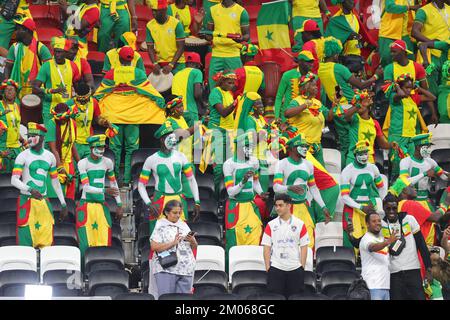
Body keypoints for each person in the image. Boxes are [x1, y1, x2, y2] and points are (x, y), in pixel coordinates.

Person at [95, 46, 165, 185]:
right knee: (131, 148)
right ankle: (127, 180)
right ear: (132, 59)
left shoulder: (111, 73)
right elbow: (150, 92)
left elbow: (99, 94)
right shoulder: (138, 73)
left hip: (113, 116)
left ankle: (113, 179)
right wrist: (161, 101)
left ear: (119, 58)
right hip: (134, 116)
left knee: (115, 148)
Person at [318, 38, 381, 166]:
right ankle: (353, 169)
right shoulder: (339, 68)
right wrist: (376, 76)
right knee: (354, 143)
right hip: (350, 107)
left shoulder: (320, 68)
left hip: (337, 109)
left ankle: (343, 172)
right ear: (335, 54)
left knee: (344, 144)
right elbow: (360, 85)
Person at [138, 121, 200, 236]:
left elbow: (191, 179)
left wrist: (197, 202)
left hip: (178, 200)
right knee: (158, 236)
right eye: (168, 137)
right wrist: (148, 203)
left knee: (181, 236)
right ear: (162, 139)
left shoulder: (181, 156)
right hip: (159, 200)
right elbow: (141, 185)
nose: (172, 140)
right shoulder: (151, 159)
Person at [11, 122, 68, 248]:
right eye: (28, 135)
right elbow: (14, 180)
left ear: (42, 137)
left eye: (33, 135)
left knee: (46, 238)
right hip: (27, 200)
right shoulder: (22, 155)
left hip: (43, 201)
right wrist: (30, 189)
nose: (29, 138)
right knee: (26, 240)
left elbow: (55, 181)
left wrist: (63, 203)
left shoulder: (50, 156)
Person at [273, 133, 331, 249]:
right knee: (287, 242)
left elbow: (313, 188)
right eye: (302, 146)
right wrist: (289, 188)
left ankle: (307, 266)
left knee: (308, 242)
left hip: (303, 207)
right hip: (287, 208)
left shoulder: (309, 164)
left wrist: (323, 207)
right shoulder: (282, 164)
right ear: (293, 148)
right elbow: (276, 187)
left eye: (306, 147)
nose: (306, 149)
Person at [76, 134, 123, 257]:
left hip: (101, 205)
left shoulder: (108, 162)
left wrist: (119, 204)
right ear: (91, 148)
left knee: (104, 240)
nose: (101, 150)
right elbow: (86, 187)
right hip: (86, 204)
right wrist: (104, 191)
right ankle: (84, 270)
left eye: (103, 147)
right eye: (99, 147)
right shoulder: (83, 163)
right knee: (85, 242)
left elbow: (113, 182)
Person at [383, 73, 436, 181]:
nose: (409, 90)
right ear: (400, 87)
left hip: (411, 138)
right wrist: (396, 86)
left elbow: (432, 97)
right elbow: (401, 94)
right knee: (397, 168)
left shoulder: (412, 99)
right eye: (406, 87)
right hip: (398, 137)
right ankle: (395, 192)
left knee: (411, 166)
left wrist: (419, 88)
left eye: (410, 88)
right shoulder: (394, 98)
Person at [382, 192, 432, 300]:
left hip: (413, 270)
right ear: (383, 208)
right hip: (394, 274)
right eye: (388, 208)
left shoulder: (409, 219)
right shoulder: (380, 225)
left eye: (394, 208)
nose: (391, 211)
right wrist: (352, 236)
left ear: (397, 207)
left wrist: (428, 268)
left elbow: (421, 245)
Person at [223, 133, 267, 253]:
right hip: (235, 206)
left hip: (250, 205)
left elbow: (256, 182)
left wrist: (261, 192)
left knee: (257, 231)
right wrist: (243, 181)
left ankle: (253, 264)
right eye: (246, 147)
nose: (250, 150)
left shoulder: (254, 161)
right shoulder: (229, 164)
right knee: (235, 237)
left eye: (251, 147)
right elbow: (230, 192)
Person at [261, 193, 309, 298]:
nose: (277, 208)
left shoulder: (300, 224)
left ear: (288, 205)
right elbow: (266, 247)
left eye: (280, 205)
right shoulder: (270, 225)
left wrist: (302, 267)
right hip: (276, 269)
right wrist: (268, 268)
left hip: (295, 269)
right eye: (276, 205)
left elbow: (304, 247)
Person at [340, 140, 387, 247]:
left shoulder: (373, 168)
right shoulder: (347, 171)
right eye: (361, 154)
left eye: (366, 153)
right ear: (355, 154)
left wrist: (378, 201)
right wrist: (361, 207)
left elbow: (381, 188)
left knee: (371, 239)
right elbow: (344, 197)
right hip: (353, 209)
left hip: (369, 207)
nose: (364, 156)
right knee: (352, 238)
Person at [383, 39, 438, 125]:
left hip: (414, 105)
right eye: (391, 52)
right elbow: (387, 91)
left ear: (403, 52)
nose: (391, 54)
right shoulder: (389, 68)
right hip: (397, 107)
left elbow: (425, 91)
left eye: (394, 52)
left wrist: (433, 113)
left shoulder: (417, 67)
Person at [150, 200, 197, 298]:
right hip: (167, 268)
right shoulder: (160, 225)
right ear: (167, 213)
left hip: (186, 269)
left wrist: (192, 241)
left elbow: (194, 246)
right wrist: (173, 243)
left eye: (179, 212)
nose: (178, 215)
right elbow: (154, 247)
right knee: (167, 298)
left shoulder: (183, 225)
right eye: (175, 213)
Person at [33, 37, 81, 127]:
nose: (57, 55)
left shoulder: (73, 66)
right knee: (50, 138)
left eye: (60, 52)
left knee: (66, 138)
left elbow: (78, 88)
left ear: (66, 53)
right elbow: (35, 89)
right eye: (55, 52)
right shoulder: (46, 66)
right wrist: (51, 91)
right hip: (50, 109)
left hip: (68, 109)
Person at [285, 72, 331, 165]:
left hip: (316, 146)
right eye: (313, 85)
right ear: (306, 87)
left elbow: (329, 117)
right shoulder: (297, 101)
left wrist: (335, 104)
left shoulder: (317, 102)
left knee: (322, 175)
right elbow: (287, 113)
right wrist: (304, 106)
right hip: (301, 147)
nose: (316, 87)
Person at [389, 176, 449, 247]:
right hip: (424, 247)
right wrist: (446, 203)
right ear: (404, 190)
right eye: (411, 186)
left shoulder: (400, 205)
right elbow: (435, 217)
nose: (415, 188)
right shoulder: (409, 204)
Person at [205, 0, 250, 87]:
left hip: (233, 54)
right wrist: (204, 35)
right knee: (214, 86)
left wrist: (241, 39)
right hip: (216, 54)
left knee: (236, 86)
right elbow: (209, 34)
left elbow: (247, 35)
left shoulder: (241, 11)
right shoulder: (212, 10)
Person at [4, 17, 52, 98]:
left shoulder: (40, 48)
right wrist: (7, 83)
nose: (15, 32)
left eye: (18, 29)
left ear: (26, 30)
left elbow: (50, 69)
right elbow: (8, 68)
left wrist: (40, 82)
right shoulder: (14, 47)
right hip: (17, 90)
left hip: (36, 91)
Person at [399, 133, 449, 210]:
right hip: (410, 201)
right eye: (427, 146)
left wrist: (448, 176)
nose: (429, 149)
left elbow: (444, 177)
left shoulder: (431, 162)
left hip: (425, 201)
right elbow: (404, 182)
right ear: (418, 147)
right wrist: (425, 174)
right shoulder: (405, 161)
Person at [208, 71, 237, 200]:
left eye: (233, 83)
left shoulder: (229, 94)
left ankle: (227, 196)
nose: (231, 85)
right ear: (221, 81)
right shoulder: (215, 92)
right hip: (217, 131)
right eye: (228, 82)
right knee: (218, 168)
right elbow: (223, 113)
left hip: (229, 132)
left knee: (230, 166)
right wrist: (235, 104)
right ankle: (215, 197)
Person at [412, 0, 450, 96]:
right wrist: (431, 43)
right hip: (430, 54)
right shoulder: (424, 11)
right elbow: (415, 32)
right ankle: (433, 107)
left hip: (447, 54)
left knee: (445, 87)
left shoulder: (449, 9)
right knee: (431, 86)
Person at [344, 89, 392, 165]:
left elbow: (382, 144)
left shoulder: (375, 123)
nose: (359, 105)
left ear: (369, 106)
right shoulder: (354, 118)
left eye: (361, 102)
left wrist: (392, 144)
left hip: (369, 160)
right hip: (353, 158)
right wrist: (359, 105)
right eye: (357, 103)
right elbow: (346, 116)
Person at [68, 82, 113, 159]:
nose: (83, 102)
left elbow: (97, 118)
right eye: (81, 100)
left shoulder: (94, 102)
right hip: (74, 142)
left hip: (89, 141)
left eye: (85, 100)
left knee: (89, 167)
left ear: (89, 95)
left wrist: (103, 122)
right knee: (76, 168)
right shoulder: (70, 103)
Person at [46, 103, 80, 201]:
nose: (61, 121)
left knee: (69, 196)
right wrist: (60, 167)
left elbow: (72, 145)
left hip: (69, 164)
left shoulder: (73, 123)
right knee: (57, 194)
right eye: (59, 120)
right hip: (55, 164)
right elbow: (53, 149)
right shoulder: (51, 123)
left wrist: (80, 163)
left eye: (63, 119)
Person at [360, 211, 397, 300]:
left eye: (379, 221)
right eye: (374, 221)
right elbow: (372, 247)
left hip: (385, 285)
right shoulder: (366, 238)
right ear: (367, 224)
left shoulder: (381, 239)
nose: (377, 223)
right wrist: (387, 242)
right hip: (372, 285)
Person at [146, 0, 186, 75]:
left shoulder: (176, 24)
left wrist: (171, 65)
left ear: (164, 10)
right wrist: (154, 63)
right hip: (160, 64)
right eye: (153, 10)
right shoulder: (149, 25)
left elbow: (181, 47)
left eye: (156, 11)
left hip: (178, 63)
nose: (153, 13)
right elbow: (150, 48)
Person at [274, 50, 314, 122]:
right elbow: (279, 96)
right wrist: (276, 116)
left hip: (305, 116)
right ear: (300, 62)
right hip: (287, 116)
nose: (311, 64)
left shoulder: (313, 77)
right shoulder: (288, 75)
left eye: (312, 62)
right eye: (308, 62)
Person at [378, 0, 419, 67]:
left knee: (410, 60)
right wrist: (410, 7)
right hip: (388, 34)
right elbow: (390, 7)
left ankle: (408, 77)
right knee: (387, 60)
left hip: (404, 34)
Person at [172, 52, 204, 127]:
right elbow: (197, 94)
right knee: (195, 137)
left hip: (177, 112)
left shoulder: (176, 74)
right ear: (197, 64)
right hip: (190, 111)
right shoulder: (197, 72)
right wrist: (203, 104)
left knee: (182, 137)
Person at [0, 80, 26, 172]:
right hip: (3, 149)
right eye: (7, 89)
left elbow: (15, 126)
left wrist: (22, 139)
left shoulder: (16, 106)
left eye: (12, 89)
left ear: (15, 93)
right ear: (3, 93)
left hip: (16, 148)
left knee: (17, 178)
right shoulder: (0, 105)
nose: (9, 91)